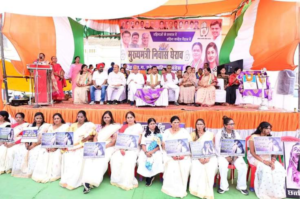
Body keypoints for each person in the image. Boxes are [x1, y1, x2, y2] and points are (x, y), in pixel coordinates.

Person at [82, 111, 121, 194]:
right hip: (98, 145)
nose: (106, 119)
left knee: (101, 160)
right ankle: (86, 181)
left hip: (108, 147)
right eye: (105, 117)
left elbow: (113, 142)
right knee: (89, 159)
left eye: (108, 117)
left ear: (111, 118)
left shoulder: (114, 127)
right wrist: (97, 145)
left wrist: (103, 147)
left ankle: (93, 181)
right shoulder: (99, 126)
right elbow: (95, 137)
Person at [248, 122, 286, 198]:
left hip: (268, 157)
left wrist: (273, 159)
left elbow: (274, 151)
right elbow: (252, 152)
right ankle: (265, 192)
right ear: (260, 128)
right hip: (256, 157)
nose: (269, 130)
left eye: (270, 128)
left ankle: (275, 191)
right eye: (266, 128)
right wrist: (263, 161)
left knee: (279, 169)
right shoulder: (253, 137)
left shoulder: (271, 138)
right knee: (266, 169)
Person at [60, 110, 96, 190]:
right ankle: (68, 178)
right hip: (72, 145)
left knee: (79, 155)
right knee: (68, 154)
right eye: (78, 116)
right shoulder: (73, 125)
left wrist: (86, 138)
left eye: (81, 117)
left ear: (85, 117)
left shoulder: (88, 125)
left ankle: (77, 178)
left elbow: (92, 135)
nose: (79, 118)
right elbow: (68, 136)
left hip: (82, 145)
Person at [215, 116, 249, 195]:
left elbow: (240, 145)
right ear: (225, 125)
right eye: (230, 124)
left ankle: (242, 186)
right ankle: (223, 187)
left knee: (243, 166)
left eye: (233, 124)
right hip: (223, 155)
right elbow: (217, 147)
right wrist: (226, 156)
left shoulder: (236, 133)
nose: (232, 126)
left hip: (235, 155)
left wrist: (236, 156)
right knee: (223, 166)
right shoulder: (219, 133)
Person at [32, 113, 69, 183]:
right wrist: (47, 146)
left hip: (59, 146)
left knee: (56, 154)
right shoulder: (50, 127)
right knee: (43, 152)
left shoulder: (65, 127)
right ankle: (42, 172)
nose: (56, 120)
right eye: (55, 119)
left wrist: (56, 147)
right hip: (48, 146)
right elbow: (46, 138)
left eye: (58, 118)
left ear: (61, 119)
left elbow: (65, 139)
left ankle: (54, 174)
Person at [110, 111, 143, 190]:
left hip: (133, 148)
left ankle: (127, 181)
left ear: (134, 118)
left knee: (129, 160)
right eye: (128, 118)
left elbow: (139, 140)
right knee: (115, 158)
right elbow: (120, 139)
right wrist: (122, 148)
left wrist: (129, 146)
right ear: (126, 119)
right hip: (122, 147)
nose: (129, 119)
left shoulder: (138, 126)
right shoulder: (124, 127)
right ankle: (117, 180)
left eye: (131, 117)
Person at [12, 112, 50, 178]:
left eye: (40, 118)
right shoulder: (30, 126)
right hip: (29, 143)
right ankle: (22, 170)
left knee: (34, 153)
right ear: (34, 118)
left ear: (43, 119)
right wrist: (26, 143)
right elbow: (25, 136)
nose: (38, 120)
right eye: (37, 118)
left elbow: (45, 137)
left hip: (39, 144)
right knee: (20, 151)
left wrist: (34, 145)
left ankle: (32, 171)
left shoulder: (46, 126)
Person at [162, 116, 191, 198]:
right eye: (174, 122)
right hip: (170, 154)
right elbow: (164, 146)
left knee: (184, 163)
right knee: (172, 164)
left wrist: (182, 155)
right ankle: (170, 187)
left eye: (178, 122)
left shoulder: (184, 131)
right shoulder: (167, 132)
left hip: (183, 155)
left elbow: (188, 144)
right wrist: (172, 155)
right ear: (171, 123)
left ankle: (181, 187)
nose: (176, 124)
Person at [189, 119, 218, 199]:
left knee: (210, 166)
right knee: (196, 166)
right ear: (195, 125)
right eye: (198, 124)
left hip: (209, 155)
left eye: (201, 124)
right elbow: (192, 148)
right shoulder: (193, 135)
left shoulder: (210, 134)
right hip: (196, 156)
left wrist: (208, 157)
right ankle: (196, 189)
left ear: (204, 125)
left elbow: (212, 147)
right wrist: (200, 158)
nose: (199, 126)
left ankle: (208, 188)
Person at [137, 118, 163, 186]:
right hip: (146, 150)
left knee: (157, 158)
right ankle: (147, 175)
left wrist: (152, 151)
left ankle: (151, 176)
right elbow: (143, 144)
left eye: (154, 123)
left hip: (155, 150)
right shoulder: (145, 133)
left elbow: (159, 146)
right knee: (142, 158)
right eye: (151, 124)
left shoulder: (159, 133)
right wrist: (146, 152)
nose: (152, 125)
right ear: (148, 125)